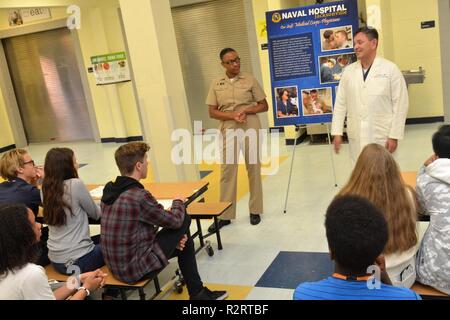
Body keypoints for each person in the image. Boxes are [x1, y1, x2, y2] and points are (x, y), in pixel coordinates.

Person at [100, 142, 228, 300]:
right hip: (133, 269)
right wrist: (178, 202)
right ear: (139, 166)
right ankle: (198, 294)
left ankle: (198, 293)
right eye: (146, 160)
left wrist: (175, 238)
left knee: (184, 241)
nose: (148, 163)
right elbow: (175, 221)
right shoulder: (139, 196)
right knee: (183, 218)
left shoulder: (110, 190)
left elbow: (135, 228)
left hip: (115, 264)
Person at [293, 195, 421, 300]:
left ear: (331, 252)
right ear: (379, 255)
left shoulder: (303, 294)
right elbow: (393, 294)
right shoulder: (409, 297)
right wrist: (384, 278)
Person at [337, 144, 419, 288]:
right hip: (407, 275)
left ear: (359, 171)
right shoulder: (408, 194)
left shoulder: (347, 202)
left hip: (372, 282)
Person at [206, 48, 268, 232]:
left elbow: (264, 105)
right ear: (223, 64)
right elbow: (212, 111)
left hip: (250, 125)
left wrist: (245, 111)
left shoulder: (249, 79)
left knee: (253, 167)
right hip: (229, 128)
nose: (236, 63)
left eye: (237, 59)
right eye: (231, 61)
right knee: (227, 170)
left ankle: (255, 210)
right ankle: (225, 215)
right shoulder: (217, 83)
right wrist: (232, 115)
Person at [331, 27, 409, 163]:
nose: (356, 47)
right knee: (360, 174)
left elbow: (401, 104)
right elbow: (340, 104)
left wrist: (394, 135)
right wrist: (337, 131)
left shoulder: (390, 70)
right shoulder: (348, 72)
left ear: (373, 43)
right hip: (357, 134)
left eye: (360, 42)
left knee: (384, 173)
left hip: (382, 135)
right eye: (354, 43)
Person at [0, 203, 106, 300]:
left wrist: (78, 279)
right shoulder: (30, 274)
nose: (39, 225)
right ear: (20, 233)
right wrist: (86, 289)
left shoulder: (9, 267)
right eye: (33, 223)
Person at [42, 148, 103, 275]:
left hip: (56, 260)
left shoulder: (45, 188)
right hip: (78, 261)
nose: (77, 165)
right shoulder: (75, 184)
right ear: (66, 166)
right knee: (117, 244)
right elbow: (96, 214)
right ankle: (111, 291)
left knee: (101, 239)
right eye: (74, 162)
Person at [415, 124, 450, 295]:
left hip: (437, 273)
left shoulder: (426, 181)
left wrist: (424, 169)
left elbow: (422, 209)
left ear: (436, 154)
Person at [0, 148, 49, 266]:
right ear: (20, 168)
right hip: (25, 254)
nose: (35, 166)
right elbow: (58, 205)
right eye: (31, 163)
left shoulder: (2, 187)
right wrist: (47, 179)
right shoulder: (29, 191)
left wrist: (33, 184)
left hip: (5, 250)